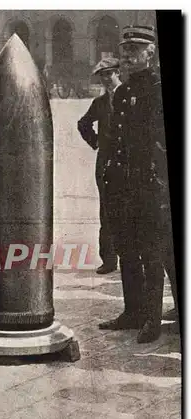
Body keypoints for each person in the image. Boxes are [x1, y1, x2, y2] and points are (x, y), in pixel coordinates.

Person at [99, 25, 171, 343]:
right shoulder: (124, 91)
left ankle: (152, 320)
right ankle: (132, 312)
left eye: (134, 50)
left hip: (149, 187)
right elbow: (116, 140)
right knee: (127, 251)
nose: (127, 56)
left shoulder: (156, 89)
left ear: (150, 53)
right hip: (123, 186)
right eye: (125, 50)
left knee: (151, 255)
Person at [77, 57, 121, 274]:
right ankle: (110, 260)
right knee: (107, 212)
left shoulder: (131, 97)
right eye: (102, 76)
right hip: (105, 163)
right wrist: (96, 142)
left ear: (117, 73)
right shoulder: (100, 103)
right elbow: (83, 124)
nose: (106, 79)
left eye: (109, 74)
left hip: (131, 161)